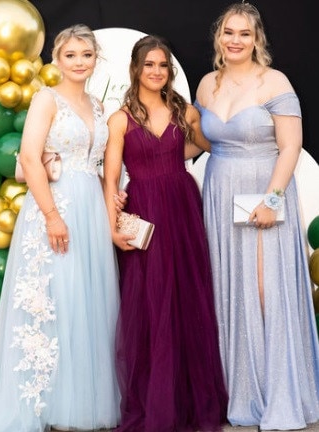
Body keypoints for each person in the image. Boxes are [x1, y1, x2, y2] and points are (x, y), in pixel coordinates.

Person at [195, 2, 319, 430]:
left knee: (266, 290)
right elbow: (198, 143)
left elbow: (290, 146)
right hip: (219, 190)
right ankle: (235, 391)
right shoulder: (207, 84)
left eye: (244, 33)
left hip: (264, 194)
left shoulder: (275, 81)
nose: (235, 40)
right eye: (229, 32)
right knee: (226, 287)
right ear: (219, 36)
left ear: (256, 39)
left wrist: (273, 199)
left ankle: (278, 393)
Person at [0, 24, 121, 431]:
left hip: (89, 210)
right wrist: (51, 215)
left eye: (86, 55)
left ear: (95, 59)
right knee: (52, 301)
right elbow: (30, 158)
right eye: (71, 55)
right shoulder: (45, 99)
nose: (79, 62)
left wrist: (112, 197)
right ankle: (41, 403)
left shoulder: (100, 108)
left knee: (84, 302)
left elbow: (99, 164)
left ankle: (76, 403)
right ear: (57, 59)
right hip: (54, 208)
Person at [103, 34, 228, 432]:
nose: (157, 72)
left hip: (182, 208)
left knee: (186, 297)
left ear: (169, 72)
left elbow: (212, 146)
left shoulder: (185, 112)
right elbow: (110, 181)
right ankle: (155, 403)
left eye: (163, 66)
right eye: (150, 65)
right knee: (150, 303)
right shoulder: (119, 119)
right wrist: (111, 227)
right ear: (136, 69)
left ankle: (192, 402)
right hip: (143, 212)